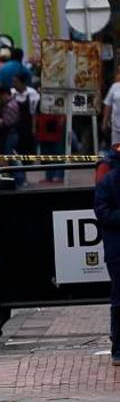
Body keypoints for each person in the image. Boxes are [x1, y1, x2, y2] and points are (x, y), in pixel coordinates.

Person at [94, 148, 120, 365]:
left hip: (115, 250)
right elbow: (102, 213)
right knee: (119, 299)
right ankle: (118, 348)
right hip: (117, 251)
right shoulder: (108, 183)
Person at [103, 68, 120, 147]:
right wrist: (105, 122)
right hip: (116, 129)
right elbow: (108, 105)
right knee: (117, 151)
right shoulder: (115, 87)